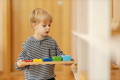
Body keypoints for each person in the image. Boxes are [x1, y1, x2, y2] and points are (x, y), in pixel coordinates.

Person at [16, 8, 64, 80]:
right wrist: (19, 64)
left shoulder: (52, 42)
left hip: (49, 78)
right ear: (34, 26)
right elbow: (20, 62)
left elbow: (60, 55)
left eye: (49, 25)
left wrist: (65, 60)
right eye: (44, 25)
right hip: (32, 78)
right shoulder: (28, 43)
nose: (48, 28)